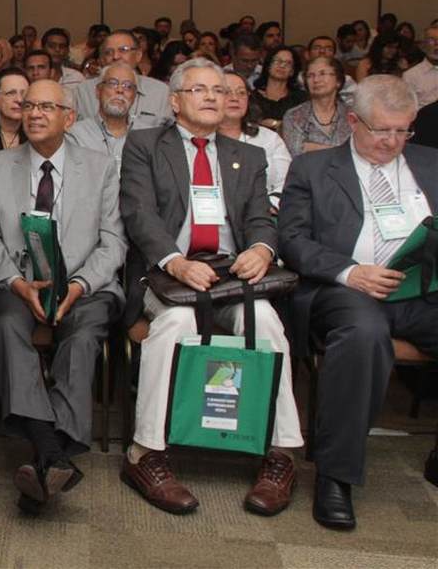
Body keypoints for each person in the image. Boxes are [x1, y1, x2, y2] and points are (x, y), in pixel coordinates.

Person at [119, 58, 301, 517]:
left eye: (219, 90)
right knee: (176, 323)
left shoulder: (249, 155)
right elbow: (139, 213)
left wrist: (261, 248)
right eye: (199, 89)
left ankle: (279, 453)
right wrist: (177, 262)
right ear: (175, 101)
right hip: (167, 272)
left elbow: (261, 217)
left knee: (266, 323)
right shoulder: (144, 144)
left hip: (231, 275)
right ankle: (145, 453)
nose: (211, 97)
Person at [278, 75, 438, 531]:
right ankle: (336, 475)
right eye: (381, 130)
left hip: (419, 290)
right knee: (364, 334)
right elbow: (292, 240)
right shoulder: (313, 169)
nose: (393, 141)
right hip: (345, 290)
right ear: (353, 121)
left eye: (403, 130)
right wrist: (351, 272)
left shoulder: (431, 163)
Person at [0, 80, 126, 514]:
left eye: (47, 106)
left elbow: (113, 242)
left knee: (81, 337)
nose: (34, 113)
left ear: (70, 117)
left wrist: (79, 285)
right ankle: (53, 453)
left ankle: (46, 456)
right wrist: (17, 283)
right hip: (19, 282)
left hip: (85, 283)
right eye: (28, 105)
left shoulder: (100, 167)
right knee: (7, 324)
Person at [219, 72, 290, 211]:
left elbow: (287, 182)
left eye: (241, 93)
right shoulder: (201, 138)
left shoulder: (269, 138)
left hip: (265, 213)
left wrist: (267, 206)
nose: (235, 98)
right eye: (226, 92)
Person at [74, 30, 172, 128]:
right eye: (108, 52)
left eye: (123, 50)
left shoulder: (160, 91)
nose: (115, 56)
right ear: (102, 59)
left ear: (138, 55)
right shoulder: (84, 90)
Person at [68, 63, 139, 168]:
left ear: (134, 96)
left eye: (127, 86)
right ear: (98, 91)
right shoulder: (76, 134)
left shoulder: (147, 134)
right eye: (112, 83)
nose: (120, 90)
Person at [283, 57, 352, 156]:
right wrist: (340, 151)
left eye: (322, 74)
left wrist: (310, 147)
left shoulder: (352, 115)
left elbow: (359, 151)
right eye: (310, 76)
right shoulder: (293, 116)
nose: (316, 80)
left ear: (338, 81)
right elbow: (296, 151)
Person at [251, 45, 307, 131]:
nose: (282, 65)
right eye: (278, 61)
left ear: (292, 71)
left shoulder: (301, 98)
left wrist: (275, 124)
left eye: (288, 63)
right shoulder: (252, 97)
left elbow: (304, 126)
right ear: (268, 66)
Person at [401, 24, 438, 108]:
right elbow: (406, 107)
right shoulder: (410, 75)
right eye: (432, 40)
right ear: (423, 46)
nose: (437, 43)